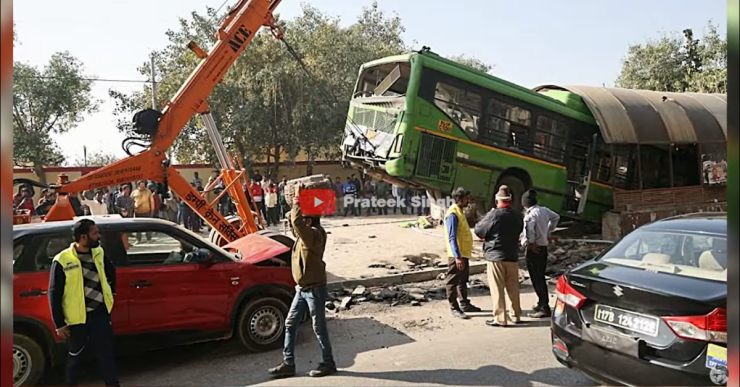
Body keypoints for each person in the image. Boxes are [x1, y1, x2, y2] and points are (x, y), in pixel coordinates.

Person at [269, 185, 336, 378]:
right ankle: (288, 363)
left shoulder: (315, 234)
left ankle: (328, 363)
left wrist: (298, 201)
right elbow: (295, 225)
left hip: (314, 289)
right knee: (290, 324)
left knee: (319, 328)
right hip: (302, 289)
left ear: (309, 220)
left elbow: (297, 222)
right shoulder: (303, 237)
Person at [48, 219, 119, 386]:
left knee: (106, 356)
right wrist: (59, 324)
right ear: (83, 237)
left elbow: (111, 273)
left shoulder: (99, 253)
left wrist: (111, 294)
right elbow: (54, 293)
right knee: (75, 358)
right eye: (95, 233)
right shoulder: (62, 260)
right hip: (76, 320)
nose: (98, 236)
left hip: (100, 315)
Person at [474, 185, 524, 327]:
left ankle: (500, 318)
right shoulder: (517, 215)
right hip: (512, 256)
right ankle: (516, 315)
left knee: (497, 288)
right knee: (513, 288)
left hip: (496, 256)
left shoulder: (494, 214)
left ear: (497, 200)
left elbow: (479, 230)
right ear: (511, 200)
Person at [520, 190, 560, 318]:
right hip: (543, 248)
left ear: (525, 203)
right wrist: (548, 231)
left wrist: (530, 244)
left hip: (534, 250)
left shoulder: (529, 215)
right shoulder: (544, 210)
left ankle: (544, 307)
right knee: (540, 276)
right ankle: (541, 302)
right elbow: (556, 217)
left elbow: (529, 231)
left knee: (537, 278)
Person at [444, 187, 482, 319]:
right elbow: (452, 237)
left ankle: (464, 303)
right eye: (466, 198)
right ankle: (454, 307)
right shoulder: (452, 214)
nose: (468, 200)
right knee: (453, 280)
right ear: (459, 199)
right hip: (457, 255)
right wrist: (457, 257)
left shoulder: (460, 211)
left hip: (463, 253)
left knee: (462, 279)